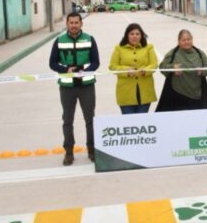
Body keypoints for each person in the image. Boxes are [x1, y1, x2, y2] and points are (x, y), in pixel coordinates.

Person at [49, 12, 100, 166]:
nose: (74, 25)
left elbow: (96, 62)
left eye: (76, 22)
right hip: (67, 87)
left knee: (90, 119)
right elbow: (52, 63)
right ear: (67, 24)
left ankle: (92, 150)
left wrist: (85, 70)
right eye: (71, 22)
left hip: (86, 86)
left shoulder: (90, 39)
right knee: (67, 120)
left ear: (81, 24)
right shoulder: (59, 41)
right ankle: (69, 152)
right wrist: (66, 70)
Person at [157, 30, 207, 111]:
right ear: (179, 41)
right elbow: (162, 67)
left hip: (196, 95)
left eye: (188, 39)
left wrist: (202, 71)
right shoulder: (173, 53)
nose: (186, 42)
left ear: (192, 40)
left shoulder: (199, 53)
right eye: (183, 40)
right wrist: (172, 68)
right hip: (177, 95)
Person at [109, 23, 157, 114]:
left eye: (137, 34)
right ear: (127, 35)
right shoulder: (119, 48)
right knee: (129, 122)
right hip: (125, 93)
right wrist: (125, 70)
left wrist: (146, 70)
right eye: (131, 34)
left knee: (141, 121)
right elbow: (112, 66)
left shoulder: (149, 47)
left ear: (141, 35)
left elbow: (154, 64)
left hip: (145, 92)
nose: (134, 36)